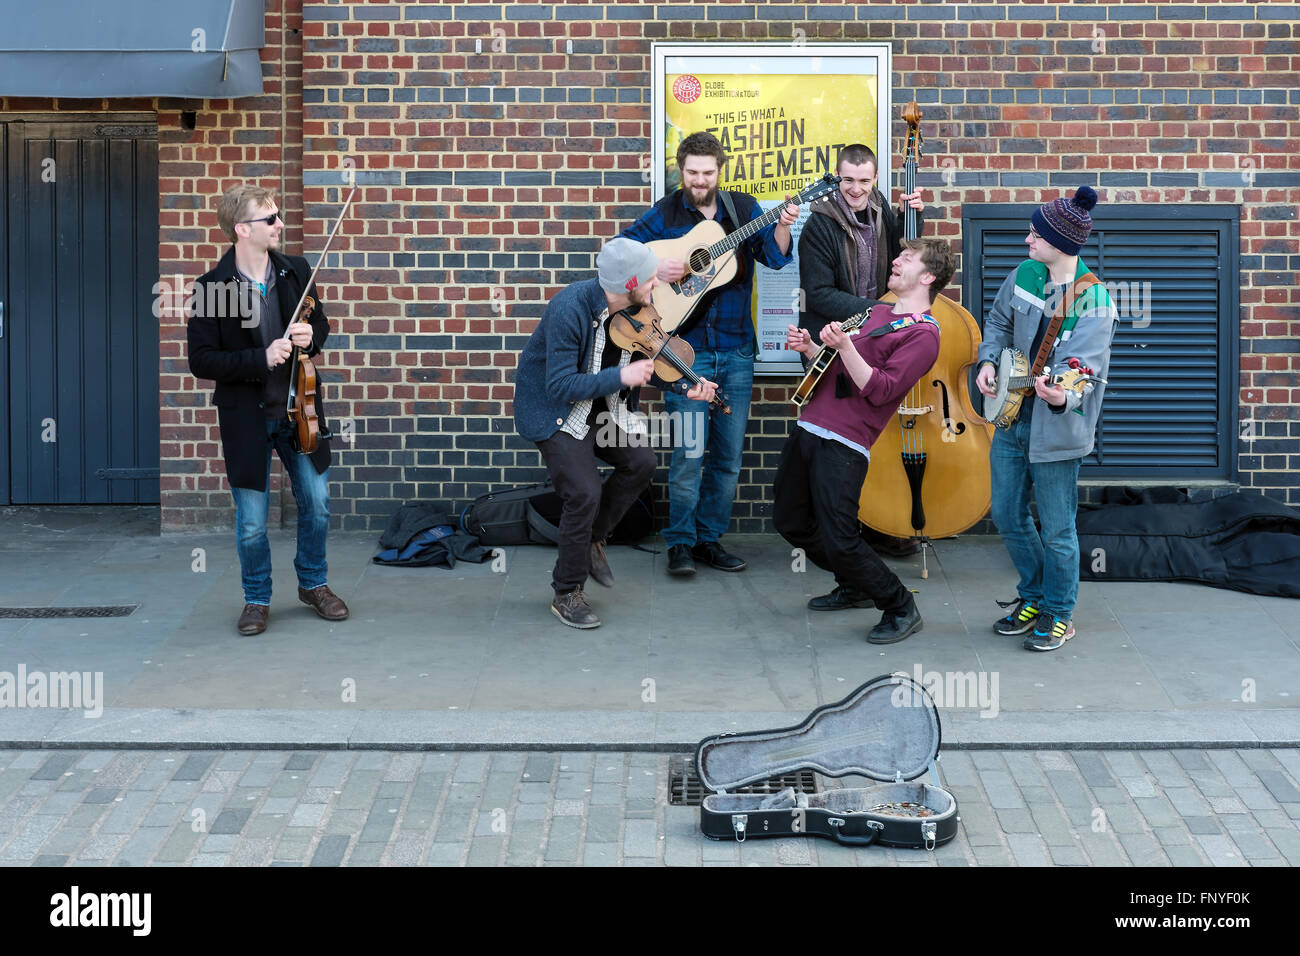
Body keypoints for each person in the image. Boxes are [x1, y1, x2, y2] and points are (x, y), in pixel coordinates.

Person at [513, 237, 717, 629]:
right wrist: (619, 376)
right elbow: (558, 385)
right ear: (627, 284)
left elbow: (651, 360)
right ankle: (566, 592)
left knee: (641, 463)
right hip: (558, 413)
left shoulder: (639, 308)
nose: (656, 284)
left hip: (605, 408)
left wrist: (685, 386)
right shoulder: (569, 309)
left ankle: (592, 539)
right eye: (650, 278)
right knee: (584, 492)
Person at [621, 131, 799, 578]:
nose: (700, 181)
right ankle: (680, 543)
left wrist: (782, 226)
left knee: (727, 458)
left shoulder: (743, 209)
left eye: (708, 172)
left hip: (737, 349)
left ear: (721, 171)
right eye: (692, 172)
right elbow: (619, 251)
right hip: (685, 353)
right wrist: (653, 266)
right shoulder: (667, 211)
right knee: (689, 453)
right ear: (681, 170)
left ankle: (708, 539)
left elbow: (775, 261)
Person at [187, 184, 349, 636]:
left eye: (278, 216)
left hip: (300, 410)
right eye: (270, 219)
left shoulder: (295, 271)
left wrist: (308, 338)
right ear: (242, 229)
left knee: (317, 505)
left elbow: (320, 321)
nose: (281, 225)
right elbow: (201, 360)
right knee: (253, 522)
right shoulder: (213, 288)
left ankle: (313, 584)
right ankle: (256, 598)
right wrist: (260, 358)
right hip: (248, 417)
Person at [777, 238, 955, 644]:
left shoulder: (925, 335)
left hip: (845, 442)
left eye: (906, 259)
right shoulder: (876, 311)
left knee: (841, 538)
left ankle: (899, 605)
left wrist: (844, 347)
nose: (895, 261)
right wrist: (811, 349)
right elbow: (836, 370)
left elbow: (880, 390)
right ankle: (856, 583)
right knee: (789, 521)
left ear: (927, 276)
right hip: (811, 426)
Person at [975, 186, 1117, 652]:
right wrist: (988, 362)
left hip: (1056, 428)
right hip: (1012, 418)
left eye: (1035, 234)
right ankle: (1033, 596)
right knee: (1007, 515)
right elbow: (996, 322)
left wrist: (1060, 396)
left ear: (1062, 242)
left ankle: (1060, 612)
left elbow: (1085, 373)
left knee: (1058, 529)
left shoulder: (1095, 302)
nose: (1027, 240)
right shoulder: (1024, 275)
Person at [798, 143, 925, 344]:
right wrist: (880, 310)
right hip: (829, 340)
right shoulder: (818, 224)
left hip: (872, 334)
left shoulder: (879, 206)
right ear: (836, 174)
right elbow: (817, 293)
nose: (856, 189)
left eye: (864, 181)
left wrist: (908, 217)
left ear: (875, 178)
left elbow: (901, 253)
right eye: (848, 180)